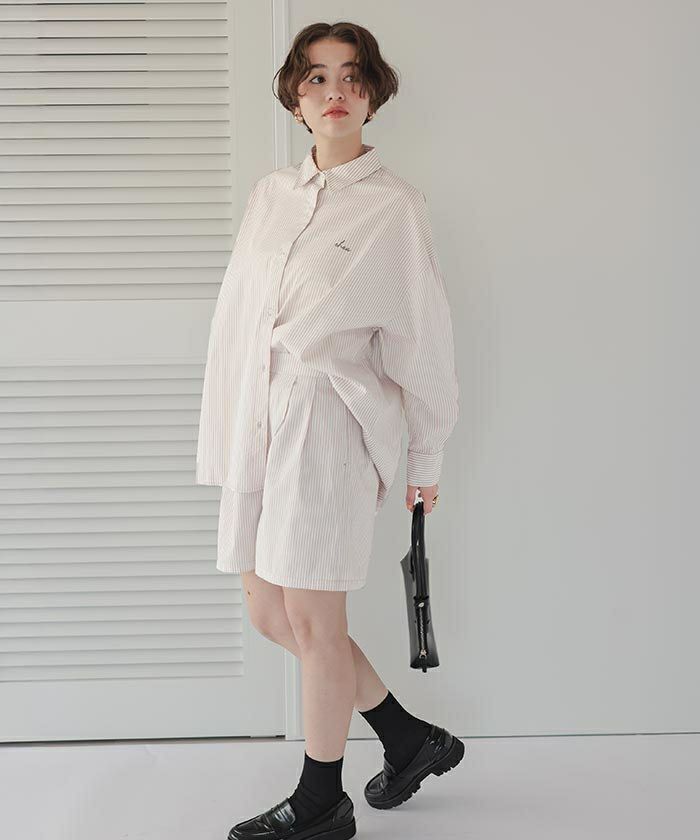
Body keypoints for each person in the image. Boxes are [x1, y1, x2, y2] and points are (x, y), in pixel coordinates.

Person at [195, 20, 464, 840]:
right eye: (316, 77)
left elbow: (423, 341)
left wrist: (426, 457)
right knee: (269, 613)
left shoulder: (394, 207)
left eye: (351, 75)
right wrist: (225, 429)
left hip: (327, 427)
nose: (334, 90)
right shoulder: (270, 195)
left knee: (316, 624)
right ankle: (407, 738)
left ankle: (322, 800)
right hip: (257, 420)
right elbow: (237, 320)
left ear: (373, 94)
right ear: (295, 98)